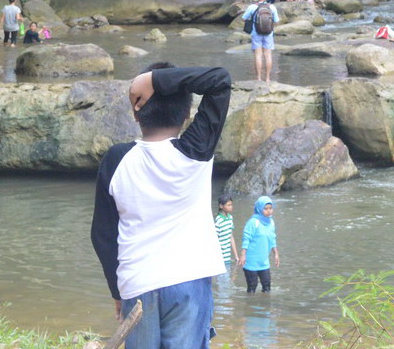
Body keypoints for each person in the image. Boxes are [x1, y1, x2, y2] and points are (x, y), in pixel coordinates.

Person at [90, 63, 231, 348]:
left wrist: (117, 290)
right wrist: (156, 80)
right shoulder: (195, 150)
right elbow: (220, 81)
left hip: (136, 282)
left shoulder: (116, 160)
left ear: (136, 112)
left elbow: (103, 235)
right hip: (188, 279)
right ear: (188, 114)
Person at [239, 196, 279, 293]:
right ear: (259, 209)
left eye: (270, 208)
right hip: (251, 262)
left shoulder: (271, 222)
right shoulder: (253, 222)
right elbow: (246, 238)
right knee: (252, 288)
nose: (269, 211)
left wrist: (276, 253)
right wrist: (243, 255)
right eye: (265, 209)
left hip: (264, 262)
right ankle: (249, 307)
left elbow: (272, 238)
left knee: (267, 287)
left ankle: (266, 307)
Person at [243, 0, 279, 84]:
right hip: (269, 34)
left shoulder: (252, 7)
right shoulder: (271, 7)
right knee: (268, 56)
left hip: (256, 33)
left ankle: (258, 78)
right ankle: (267, 79)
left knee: (258, 56)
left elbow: (243, 19)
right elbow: (276, 21)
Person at [214, 193, 240, 275]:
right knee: (223, 280)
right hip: (219, 258)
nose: (231, 207)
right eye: (228, 205)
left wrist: (236, 256)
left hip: (227, 256)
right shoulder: (218, 220)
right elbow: (215, 239)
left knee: (227, 279)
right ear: (221, 206)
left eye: (231, 205)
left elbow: (231, 237)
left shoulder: (230, 218)